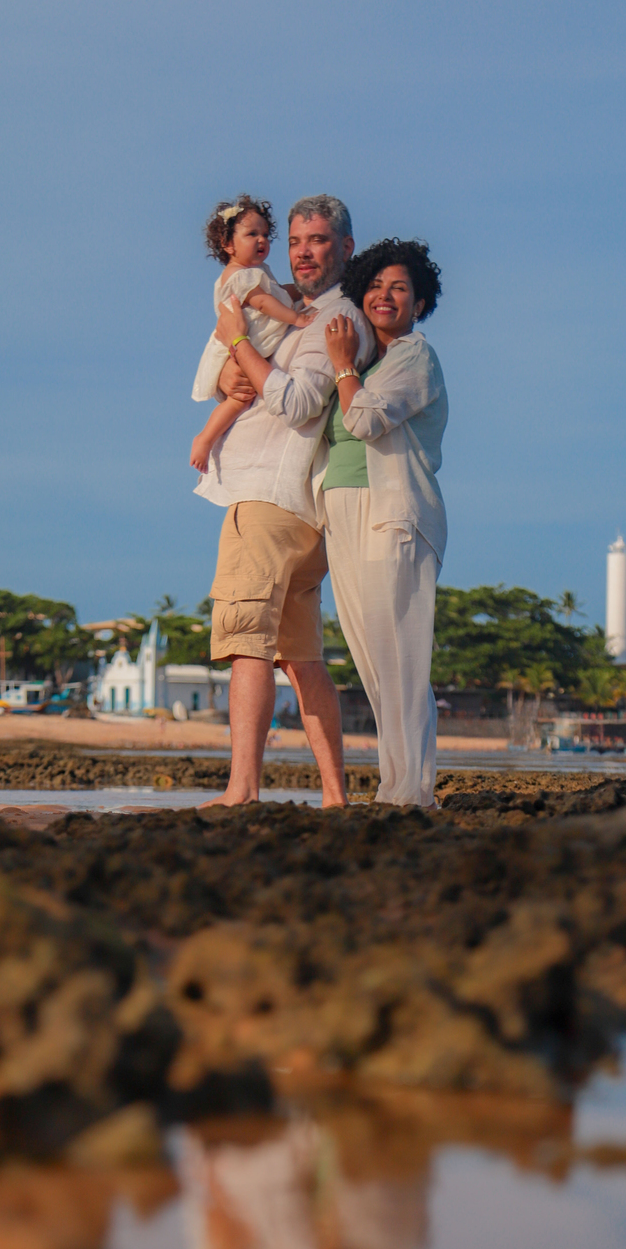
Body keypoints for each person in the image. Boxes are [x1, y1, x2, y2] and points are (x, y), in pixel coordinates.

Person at [196, 194, 375, 807]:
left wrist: (238, 343)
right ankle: (335, 797)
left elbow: (297, 403)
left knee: (247, 639)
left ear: (345, 248)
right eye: (296, 241)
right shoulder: (297, 308)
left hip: (269, 496)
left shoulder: (335, 319)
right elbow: (239, 375)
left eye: (317, 241)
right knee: (300, 658)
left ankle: (242, 790)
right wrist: (231, 366)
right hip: (300, 510)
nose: (301, 252)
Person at [319, 239, 447, 807]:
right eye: (374, 286)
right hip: (342, 513)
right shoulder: (370, 359)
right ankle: (394, 784)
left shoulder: (414, 358)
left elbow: (367, 419)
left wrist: (344, 365)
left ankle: (413, 789)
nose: (384, 296)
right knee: (372, 657)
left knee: (401, 653)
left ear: (419, 303)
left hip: (392, 512)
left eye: (399, 288)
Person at [190, 196, 315, 474]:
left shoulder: (255, 272)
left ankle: (208, 437)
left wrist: (300, 290)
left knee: (243, 395)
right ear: (228, 244)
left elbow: (278, 293)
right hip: (248, 342)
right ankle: (206, 438)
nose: (261, 240)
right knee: (239, 398)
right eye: (251, 234)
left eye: (265, 234)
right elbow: (264, 303)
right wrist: (296, 316)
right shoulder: (241, 277)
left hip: (253, 342)